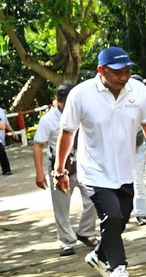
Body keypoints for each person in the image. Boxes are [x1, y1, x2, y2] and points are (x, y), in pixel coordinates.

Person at [54, 47, 146, 277]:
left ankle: (98, 255)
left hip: (125, 169)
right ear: (101, 70)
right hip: (93, 170)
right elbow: (67, 132)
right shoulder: (81, 94)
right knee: (111, 215)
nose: (123, 77)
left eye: (127, 71)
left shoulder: (138, 90)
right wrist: (59, 168)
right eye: (117, 73)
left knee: (120, 218)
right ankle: (118, 268)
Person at [32, 83, 97, 256]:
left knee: (94, 198)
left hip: (82, 162)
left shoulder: (83, 112)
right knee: (61, 207)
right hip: (60, 166)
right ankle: (67, 240)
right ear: (58, 102)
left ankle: (86, 232)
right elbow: (38, 145)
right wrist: (39, 172)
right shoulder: (48, 120)